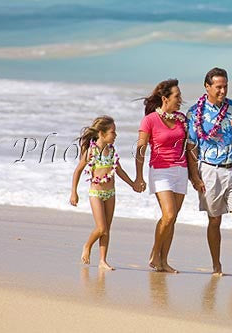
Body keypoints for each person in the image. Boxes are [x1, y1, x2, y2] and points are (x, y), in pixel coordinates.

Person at [186, 67, 232, 279]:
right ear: (207, 87)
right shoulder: (194, 113)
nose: (223, 91)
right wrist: (194, 175)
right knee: (214, 220)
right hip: (209, 171)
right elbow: (191, 146)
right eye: (218, 87)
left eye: (225, 86)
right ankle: (216, 265)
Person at [70, 115, 138, 270]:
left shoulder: (112, 151)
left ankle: (102, 260)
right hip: (96, 193)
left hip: (110, 193)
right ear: (101, 133)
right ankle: (87, 246)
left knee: (107, 228)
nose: (115, 135)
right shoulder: (91, 151)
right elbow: (78, 171)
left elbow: (119, 171)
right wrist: (74, 192)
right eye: (113, 132)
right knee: (101, 228)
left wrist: (132, 184)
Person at [135, 79, 188, 273]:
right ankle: (155, 253)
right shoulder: (149, 120)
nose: (180, 100)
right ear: (165, 98)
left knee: (172, 219)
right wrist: (138, 177)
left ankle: (163, 261)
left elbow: (189, 148)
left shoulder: (181, 118)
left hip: (181, 171)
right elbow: (140, 149)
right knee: (169, 214)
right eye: (177, 96)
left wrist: (195, 176)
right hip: (160, 170)